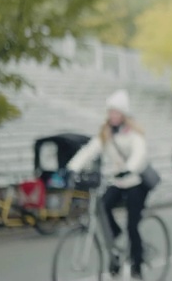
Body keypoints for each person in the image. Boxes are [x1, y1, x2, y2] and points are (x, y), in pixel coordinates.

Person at [67, 89, 148, 280]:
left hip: (135, 182)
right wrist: (72, 167)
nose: (112, 116)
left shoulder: (133, 133)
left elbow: (140, 153)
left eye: (116, 112)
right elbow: (89, 151)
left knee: (132, 225)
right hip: (117, 181)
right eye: (110, 112)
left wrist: (130, 168)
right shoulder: (106, 134)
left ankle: (138, 261)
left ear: (123, 114)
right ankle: (115, 242)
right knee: (103, 206)